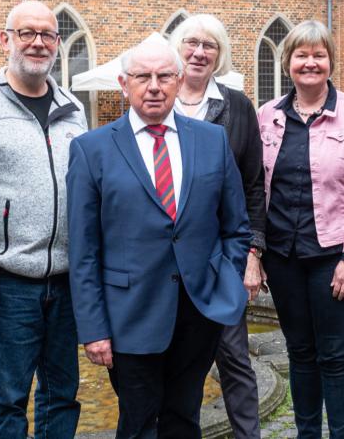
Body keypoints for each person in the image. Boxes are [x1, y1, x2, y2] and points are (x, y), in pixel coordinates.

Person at [67, 41, 250, 438]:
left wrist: (226, 282)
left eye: (164, 76)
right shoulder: (91, 149)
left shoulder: (212, 140)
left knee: (184, 419)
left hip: (199, 311)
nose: (154, 86)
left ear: (179, 81)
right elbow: (83, 250)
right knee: (138, 423)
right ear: (124, 84)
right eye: (142, 77)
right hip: (130, 314)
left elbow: (235, 226)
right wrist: (93, 328)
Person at [256, 20, 344, 438]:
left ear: (330, 61)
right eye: (301, 55)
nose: (310, 63)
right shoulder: (267, 116)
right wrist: (256, 253)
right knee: (300, 352)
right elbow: (256, 187)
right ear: (288, 62)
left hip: (334, 255)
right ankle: (307, 433)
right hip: (283, 257)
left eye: (319, 55)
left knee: (336, 354)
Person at [0, 0, 86, 437]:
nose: (38, 43)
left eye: (47, 35)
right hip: (8, 280)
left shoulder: (72, 107)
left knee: (62, 394)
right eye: (26, 33)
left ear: (57, 43)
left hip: (66, 280)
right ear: (6, 40)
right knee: (8, 400)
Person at [169, 14, 266, 439]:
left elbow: (253, 186)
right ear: (177, 48)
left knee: (234, 357)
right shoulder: (157, 97)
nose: (199, 52)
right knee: (171, 360)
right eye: (191, 43)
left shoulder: (238, 107)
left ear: (220, 54)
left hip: (220, 257)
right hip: (164, 260)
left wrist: (252, 254)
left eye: (209, 45)